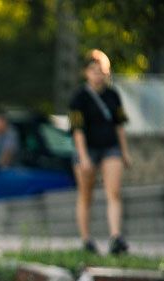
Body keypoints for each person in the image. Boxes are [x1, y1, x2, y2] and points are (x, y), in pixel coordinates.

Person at [69, 56, 132, 255]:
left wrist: (124, 152)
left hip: (110, 147)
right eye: (93, 70)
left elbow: (119, 125)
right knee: (86, 195)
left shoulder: (113, 95)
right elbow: (77, 129)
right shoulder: (78, 97)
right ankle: (86, 240)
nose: (98, 75)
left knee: (114, 192)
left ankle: (115, 236)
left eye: (101, 71)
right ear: (86, 73)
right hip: (88, 149)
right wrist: (83, 156)